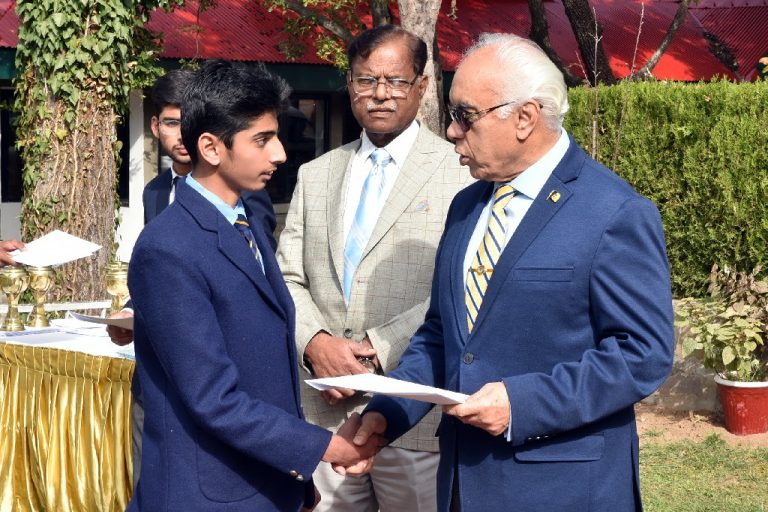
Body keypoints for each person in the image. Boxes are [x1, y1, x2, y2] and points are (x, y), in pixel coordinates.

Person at [351, 33, 675, 511]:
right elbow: (443, 336)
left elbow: (642, 353)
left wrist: (523, 404)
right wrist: (388, 414)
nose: (451, 131)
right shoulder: (466, 206)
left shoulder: (613, 211)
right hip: (462, 483)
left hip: (563, 491)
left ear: (525, 117)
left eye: (465, 115)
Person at [126, 60, 382, 512]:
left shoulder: (247, 223)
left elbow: (267, 371)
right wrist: (324, 448)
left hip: (264, 483)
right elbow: (213, 398)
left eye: (276, 136)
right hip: (209, 494)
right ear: (211, 147)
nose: (280, 153)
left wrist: (298, 482)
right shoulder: (168, 248)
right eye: (262, 140)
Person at [277, 25, 473, 512]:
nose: (380, 94)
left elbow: (464, 282)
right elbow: (287, 276)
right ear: (349, 84)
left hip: (416, 412)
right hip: (324, 412)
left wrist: (377, 351)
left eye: (396, 81)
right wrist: (315, 343)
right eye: (366, 80)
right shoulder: (316, 173)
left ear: (422, 86)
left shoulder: (462, 171)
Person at [107, 69, 279, 485]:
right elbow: (164, 270)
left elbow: (245, 286)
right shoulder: (154, 191)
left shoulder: (246, 198)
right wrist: (134, 309)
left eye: (190, 121)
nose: (182, 133)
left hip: (223, 392)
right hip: (159, 381)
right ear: (155, 126)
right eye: (172, 122)